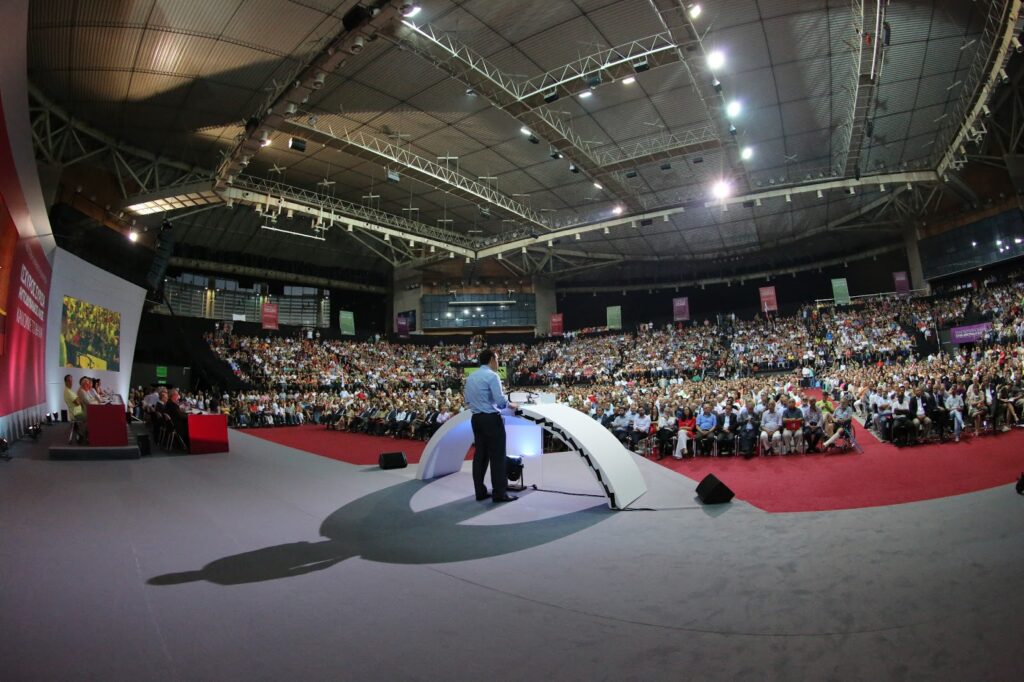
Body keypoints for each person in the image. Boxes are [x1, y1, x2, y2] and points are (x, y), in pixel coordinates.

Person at [464, 349, 518, 503]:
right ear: (491, 359)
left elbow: (467, 400)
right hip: (491, 420)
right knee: (498, 457)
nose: (498, 362)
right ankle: (499, 493)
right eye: (497, 359)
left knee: (480, 456)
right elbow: (501, 403)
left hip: (476, 419)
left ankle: (480, 492)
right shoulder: (492, 376)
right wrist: (510, 404)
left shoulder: (471, 377)